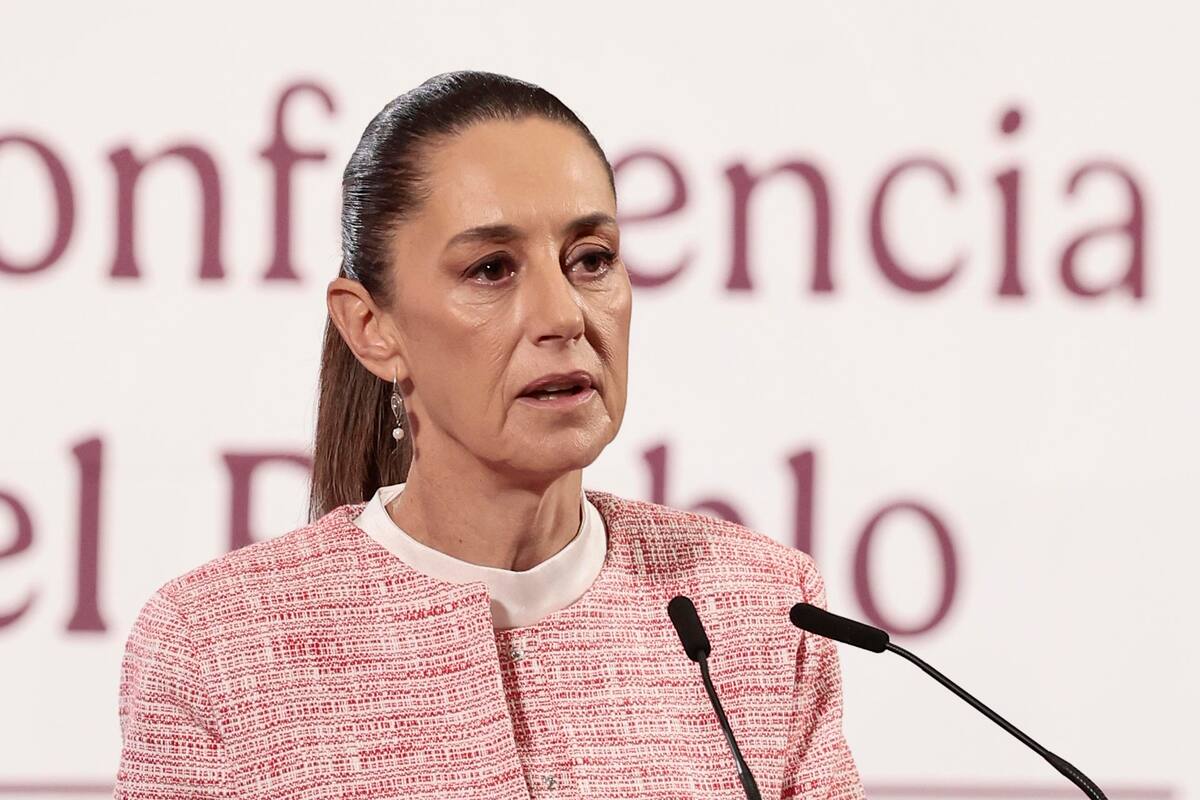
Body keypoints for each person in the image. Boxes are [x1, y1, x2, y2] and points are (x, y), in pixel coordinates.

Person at [113, 70, 865, 799]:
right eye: (492, 269)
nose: (563, 316)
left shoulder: (761, 609)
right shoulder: (217, 647)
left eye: (591, 260)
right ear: (370, 327)